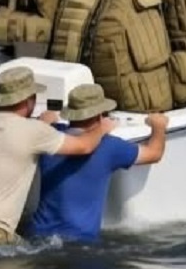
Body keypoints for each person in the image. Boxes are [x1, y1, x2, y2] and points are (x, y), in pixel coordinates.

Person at [0, 67, 115, 249]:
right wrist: (103, 128)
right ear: (29, 100)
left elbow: (9, 134)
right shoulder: (34, 131)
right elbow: (84, 146)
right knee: (38, 261)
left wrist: (42, 124)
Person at [27, 84, 168, 243]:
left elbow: (44, 124)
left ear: (71, 114)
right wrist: (159, 126)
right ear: (100, 115)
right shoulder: (109, 147)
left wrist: (46, 121)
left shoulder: (48, 138)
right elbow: (154, 153)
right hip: (80, 241)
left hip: (36, 234)